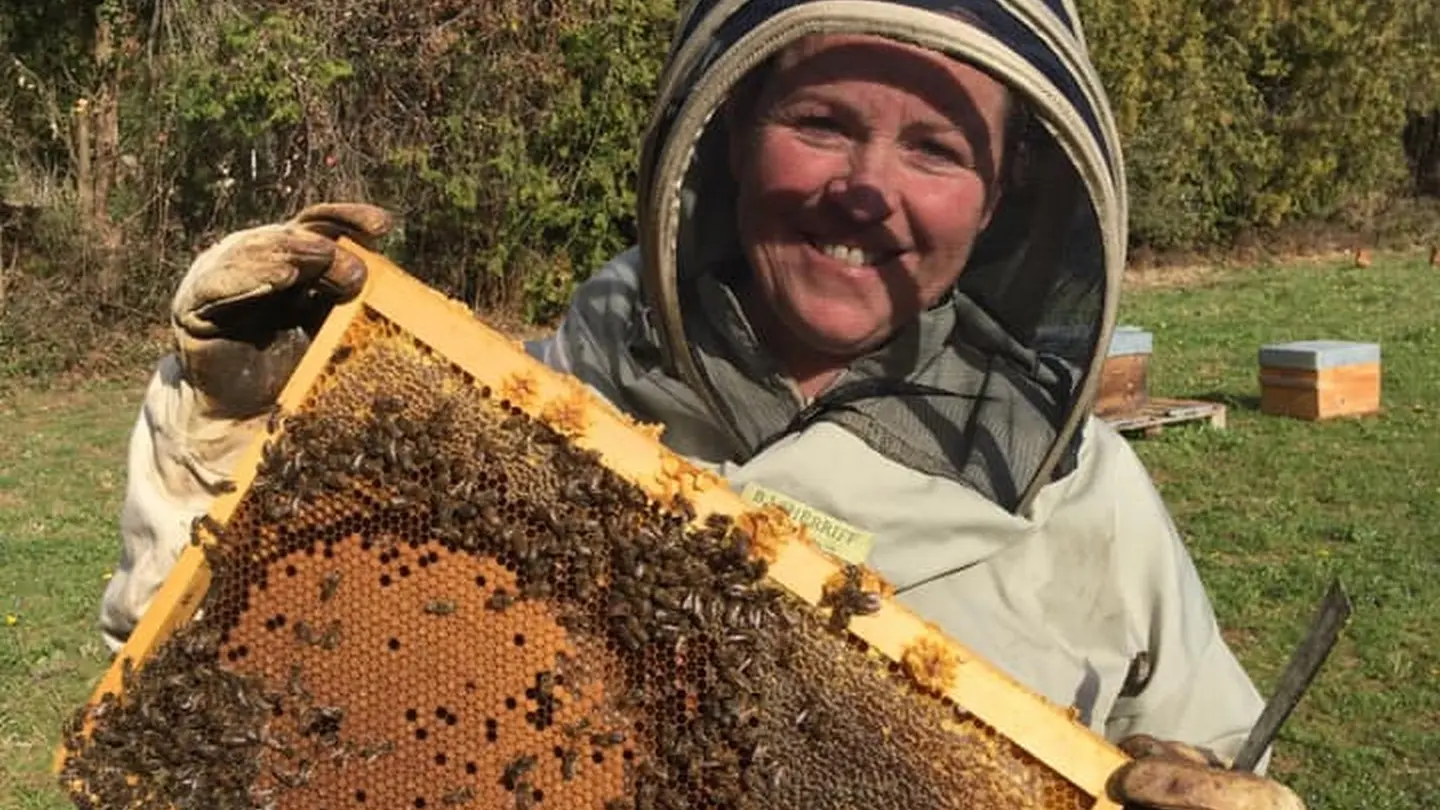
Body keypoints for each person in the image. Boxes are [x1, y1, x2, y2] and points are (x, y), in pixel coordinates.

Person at [99, 1, 1305, 808]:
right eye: (821, 122)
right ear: (727, 136)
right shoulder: (509, 424)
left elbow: (1216, 757)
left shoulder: (1088, 499)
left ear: (1000, 203)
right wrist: (221, 436)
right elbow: (228, 694)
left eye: (936, 148)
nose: (867, 190)